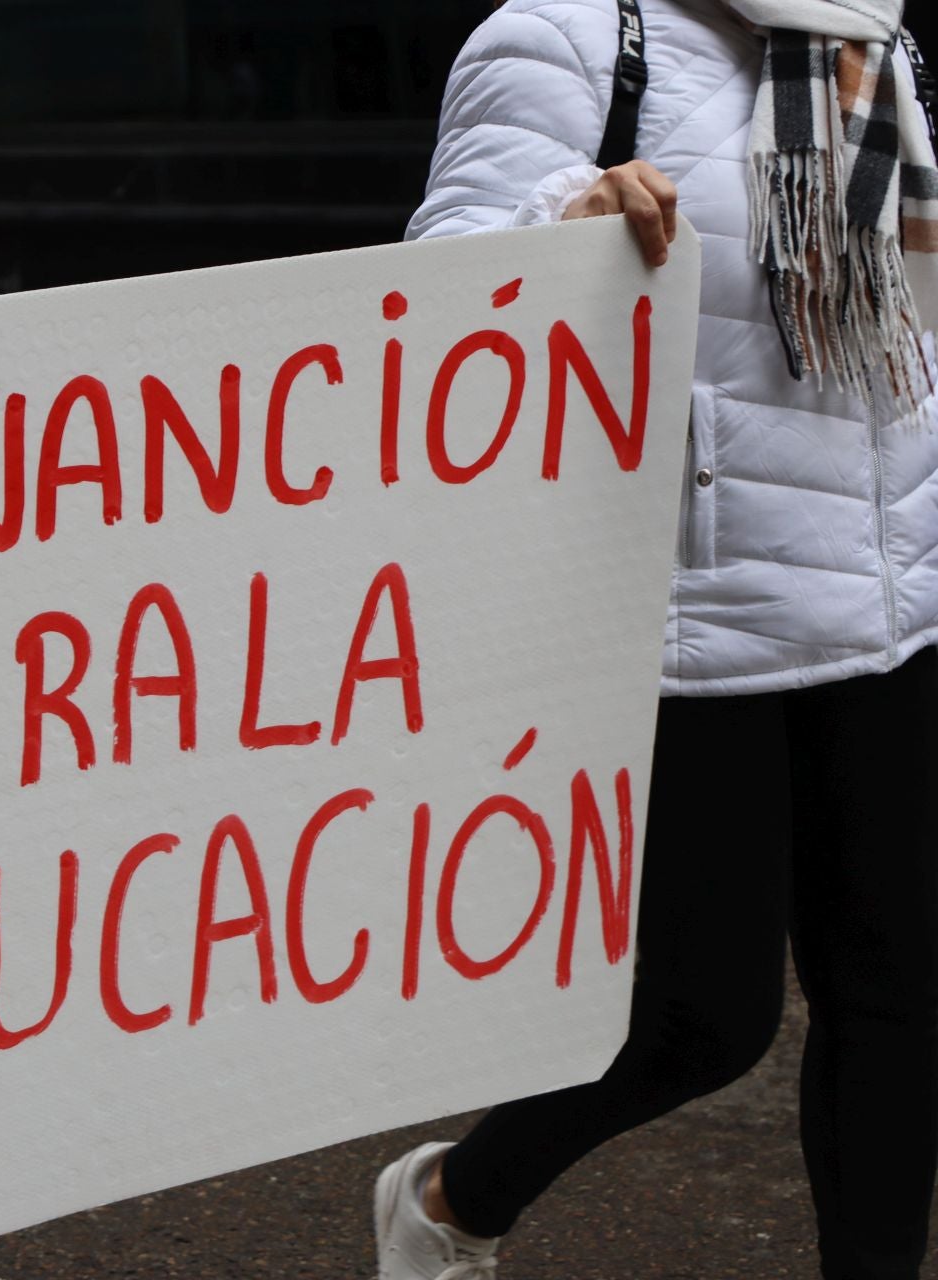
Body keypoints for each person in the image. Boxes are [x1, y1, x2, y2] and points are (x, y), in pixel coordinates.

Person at [370, 1, 938, 1277]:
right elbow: (442, 286)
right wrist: (567, 222)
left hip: (892, 594)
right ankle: (455, 1197)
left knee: (900, 1003)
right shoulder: (568, 36)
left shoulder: (869, 37)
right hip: (695, 607)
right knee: (706, 1014)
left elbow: (907, 320)